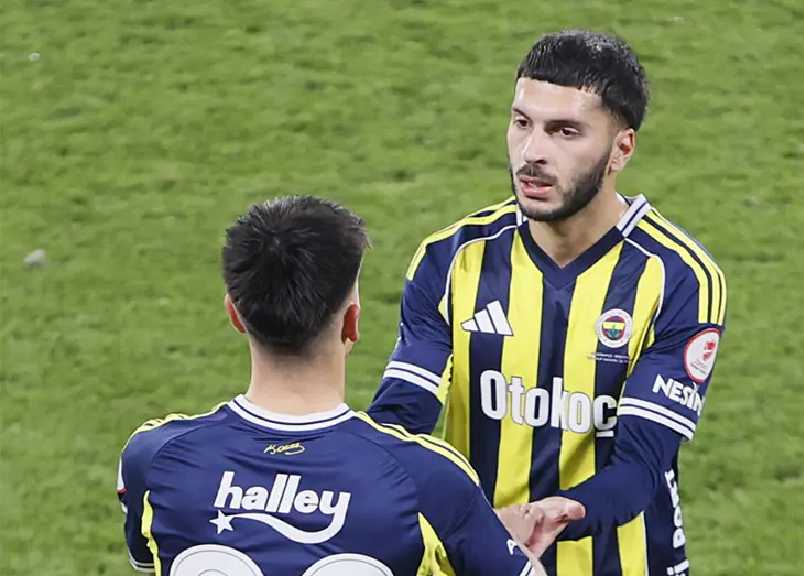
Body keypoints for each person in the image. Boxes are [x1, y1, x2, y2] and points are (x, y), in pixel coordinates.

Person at [368, 30, 727, 576]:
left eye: (565, 131)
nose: (532, 152)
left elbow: (639, 467)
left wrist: (549, 516)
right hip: (479, 562)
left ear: (621, 149)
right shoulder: (453, 259)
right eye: (522, 123)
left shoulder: (677, 277)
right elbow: (401, 420)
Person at [117, 196, 547, 575]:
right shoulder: (430, 480)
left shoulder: (152, 457)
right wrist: (485, 539)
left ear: (235, 315)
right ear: (352, 322)